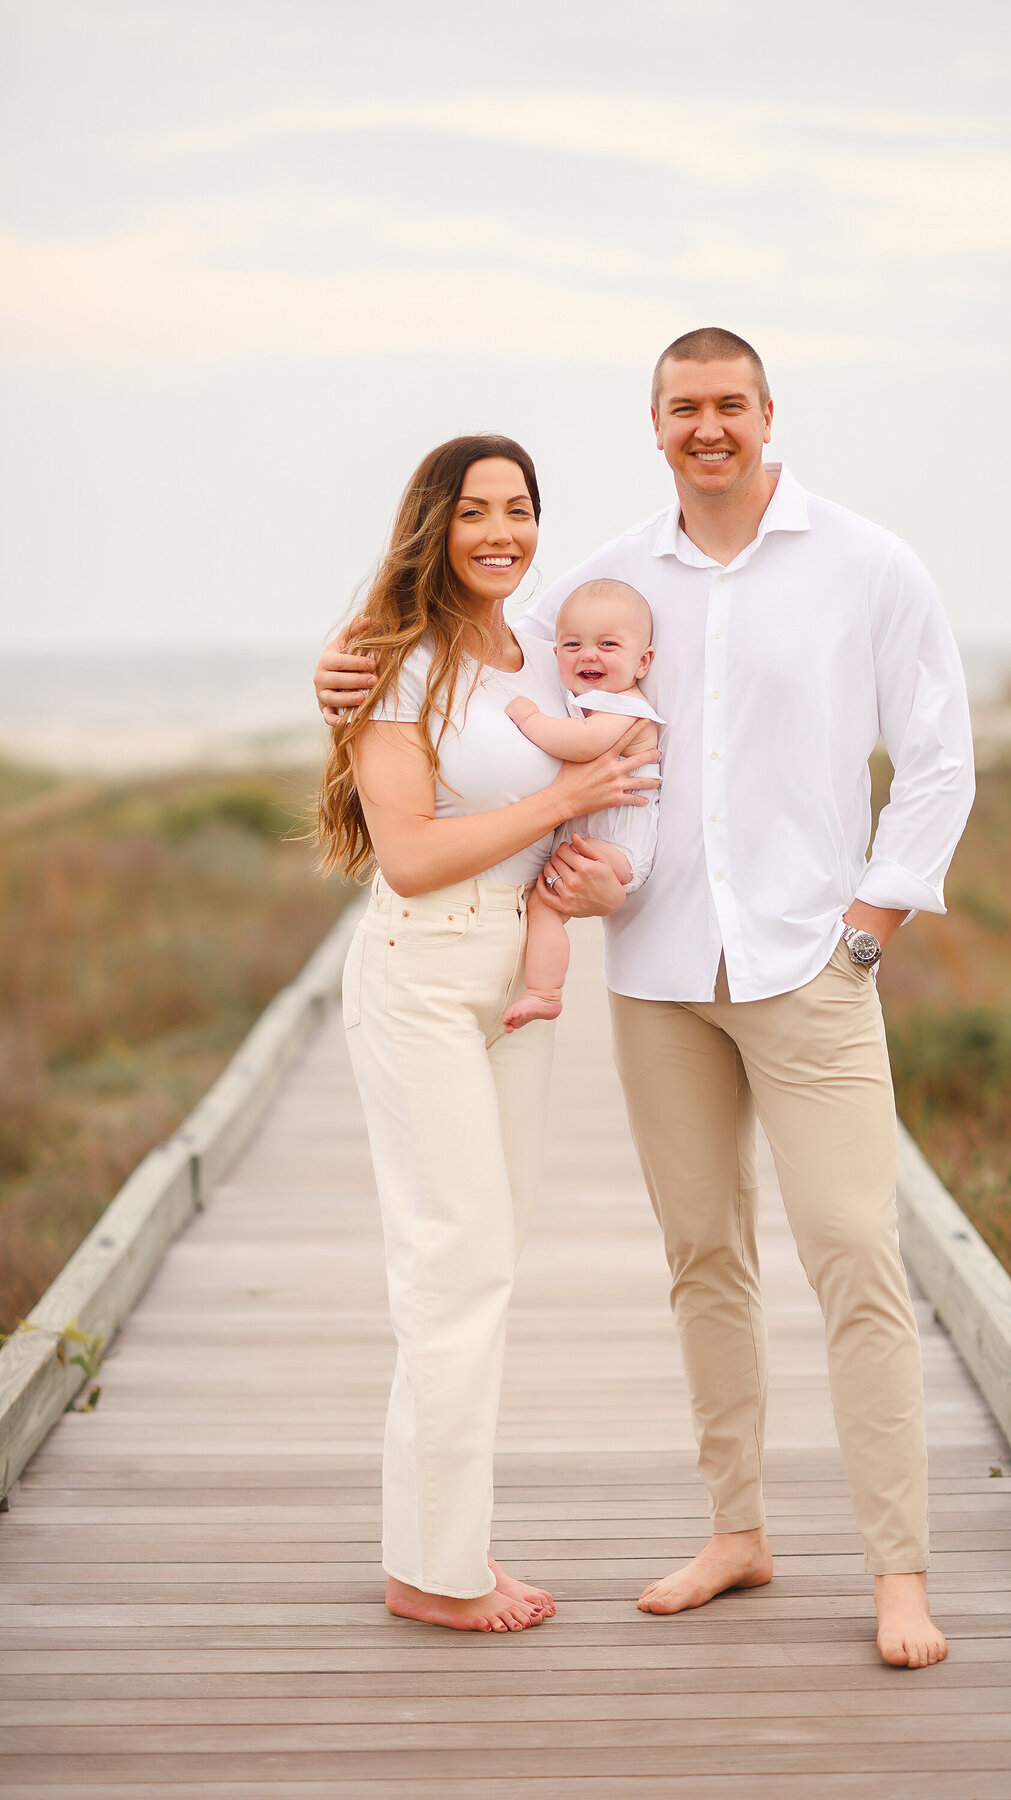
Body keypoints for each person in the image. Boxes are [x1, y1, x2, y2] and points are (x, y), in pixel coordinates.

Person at [314, 328, 975, 1669]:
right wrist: (331, 671)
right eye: (684, 407)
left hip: (809, 967)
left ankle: (898, 1572)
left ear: (769, 414)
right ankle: (737, 1532)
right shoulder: (604, 582)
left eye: (731, 404)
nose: (709, 426)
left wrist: (870, 924)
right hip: (661, 976)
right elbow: (469, 654)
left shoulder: (864, 564)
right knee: (701, 1263)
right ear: (656, 422)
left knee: (855, 1257)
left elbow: (940, 754)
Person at [316, 433, 658, 1634]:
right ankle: (432, 1571)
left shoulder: (542, 646)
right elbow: (408, 855)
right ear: (434, 525)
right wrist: (568, 798)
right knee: (453, 1261)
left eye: (520, 509)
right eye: (476, 512)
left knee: (488, 1262)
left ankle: (449, 1548)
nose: (502, 531)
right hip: (422, 967)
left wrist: (591, 871)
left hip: (520, 962)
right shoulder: (392, 662)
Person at [501, 578, 663, 1031]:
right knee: (544, 905)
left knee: (547, 901)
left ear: (642, 661)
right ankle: (544, 993)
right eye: (573, 644)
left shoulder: (625, 706)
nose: (588, 654)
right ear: (555, 655)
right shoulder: (583, 702)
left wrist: (528, 718)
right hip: (596, 843)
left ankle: (545, 991)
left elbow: (582, 745)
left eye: (608, 644)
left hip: (620, 848)